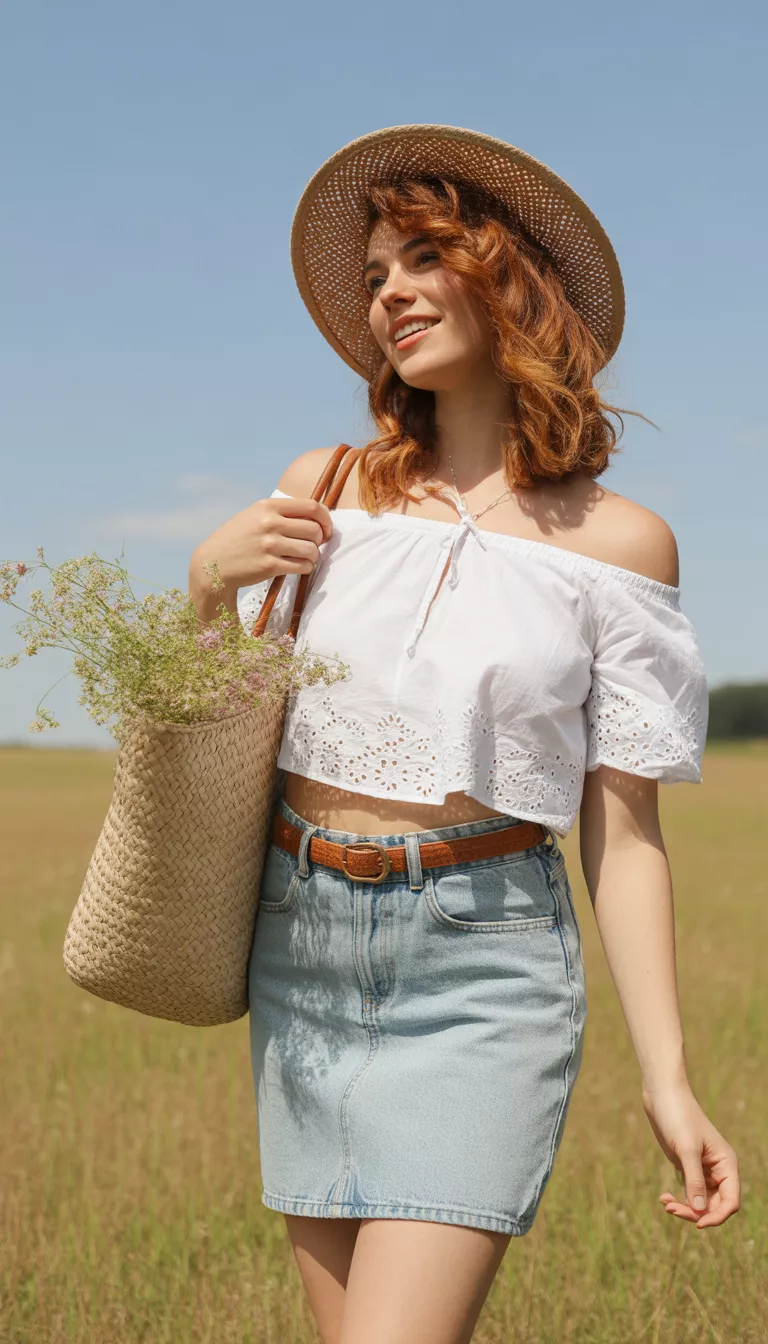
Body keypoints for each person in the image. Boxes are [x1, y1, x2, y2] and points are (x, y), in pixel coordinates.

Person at [189, 125, 740, 1344]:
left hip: (482, 970)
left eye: (422, 257)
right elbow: (221, 730)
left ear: (510, 277)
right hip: (303, 954)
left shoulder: (622, 547)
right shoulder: (329, 490)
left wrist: (668, 1077)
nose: (386, 291)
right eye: (376, 272)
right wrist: (204, 589)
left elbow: (627, 830)